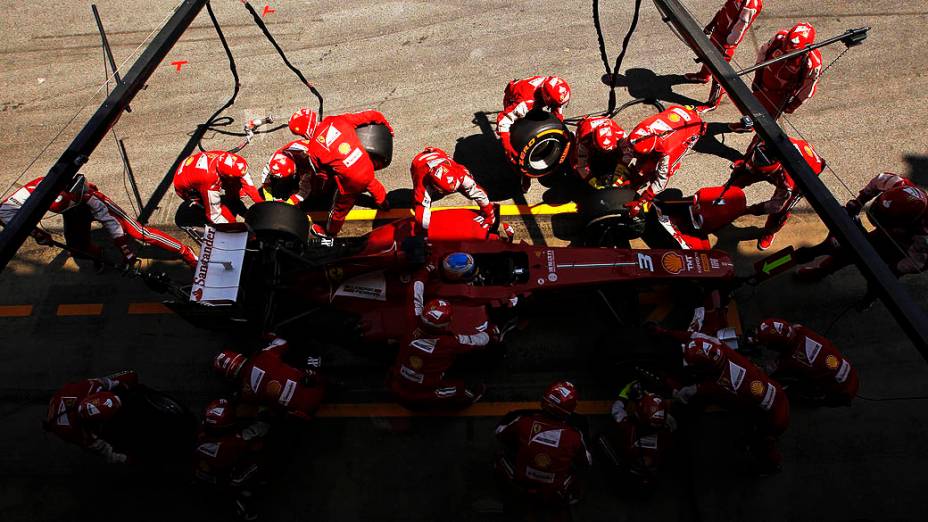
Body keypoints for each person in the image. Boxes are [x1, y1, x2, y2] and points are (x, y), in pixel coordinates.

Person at [1, 175, 197, 268]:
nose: (83, 192)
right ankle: (100, 258)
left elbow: (111, 223)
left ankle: (184, 251)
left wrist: (126, 252)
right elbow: (4, 212)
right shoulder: (30, 194)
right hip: (73, 213)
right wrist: (36, 233)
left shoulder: (87, 195)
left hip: (90, 207)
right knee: (78, 246)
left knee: (138, 232)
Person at [668, 331, 790, 474]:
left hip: (774, 419)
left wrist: (673, 387)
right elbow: (696, 336)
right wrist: (665, 333)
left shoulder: (717, 387)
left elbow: (688, 392)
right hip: (777, 393)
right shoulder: (722, 349)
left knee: (762, 444)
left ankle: (773, 466)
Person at [796, 172, 928, 280]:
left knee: (880, 279)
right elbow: (878, 180)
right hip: (892, 232)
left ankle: (870, 298)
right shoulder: (897, 185)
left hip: (905, 247)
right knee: (847, 253)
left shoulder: (923, 237)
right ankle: (822, 271)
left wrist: (894, 269)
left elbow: (917, 263)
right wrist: (859, 202)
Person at [288, 107, 394, 237]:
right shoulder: (336, 120)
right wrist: (388, 127)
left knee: (338, 212)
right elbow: (372, 115)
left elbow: (323, 176)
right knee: (371, 183)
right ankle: (384, 204)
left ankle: (330, 232)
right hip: (366, 165)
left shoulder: (313, 151)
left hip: (351, 183)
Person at [495, 381, 592, 506]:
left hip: (520, 481)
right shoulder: (575, 436)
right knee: (578, 472)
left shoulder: (523, 422)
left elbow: (499, 433)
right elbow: (586, 462)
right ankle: (571, 496)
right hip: (553, 491)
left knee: (499, 456)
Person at [388, 298, 491, 407]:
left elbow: (414, 293)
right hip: (421, 394)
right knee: (458, 389)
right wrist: (491, 332)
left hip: (397, 384)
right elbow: (480, 340)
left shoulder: (411, 323)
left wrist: (421, 279)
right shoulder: (449, 344)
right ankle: (470, 397)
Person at [729, 137, 826, 250]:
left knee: (781, 213)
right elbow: (755, 146)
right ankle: (719, 199)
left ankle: (770, 232)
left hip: (807, 174)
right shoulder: (767, 142)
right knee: (741, 176)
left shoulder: (789, 183)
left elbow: (776, 206)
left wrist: (748, 210)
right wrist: (744, 163)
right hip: (798, 151)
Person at [730, 22, 822, 132]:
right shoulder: (780, 38)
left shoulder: (812, 62)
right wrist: (758, 75)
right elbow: (763, 52)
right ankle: (747, 125)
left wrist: (794, 104)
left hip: (779, 96)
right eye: (785, 45)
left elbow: (809, 87)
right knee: (752, 106)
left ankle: (759, 143)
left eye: (790, 50)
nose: (785, 50)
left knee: (767, 123)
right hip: (763, 83)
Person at [213, 334, 326, 420]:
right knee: (306, 346)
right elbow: (283, 343)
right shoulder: (264, 355)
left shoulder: (246, 395)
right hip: (317, 387)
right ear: (240, 356)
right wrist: (270, 336)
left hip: (304, 412)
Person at [749, 318, 859, 406]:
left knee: (791, 391)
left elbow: (763, 372)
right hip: (848, 370)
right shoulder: (799, 329)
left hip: (840, 390)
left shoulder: (789, 360)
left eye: (767, 344)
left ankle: (813, 399)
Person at [193, 398, 269, 521]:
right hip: (226, 478)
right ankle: (242, 504)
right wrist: (263, 413)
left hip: (202, 471)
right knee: (259, 462)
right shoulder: (231, 443)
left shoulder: (204, 429)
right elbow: (259, 431)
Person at [622, 105, 707, 214]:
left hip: (692, 129)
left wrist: (643, 200)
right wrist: (619, 171)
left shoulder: (667, 152)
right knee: (643, 164)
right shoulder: (639, 131)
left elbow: (661, 180)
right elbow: (627, 150)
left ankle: (647, 191)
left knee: (657, 170)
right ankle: (639, 176)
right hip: (677, 111)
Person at [44, 370, 139, 464]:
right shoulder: (79, 434)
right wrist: (124, 459)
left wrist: (122, 381)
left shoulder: (91, 386)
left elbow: (108, 381)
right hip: (55, 420)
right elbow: (104, 450)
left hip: (60, 396)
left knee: (130, 375)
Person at [496, 75, 571, 191]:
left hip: (531, 98)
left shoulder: (552, 84)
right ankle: (525, 176)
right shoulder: (525, 104)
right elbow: (503, 119)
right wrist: (507, 145)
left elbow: (556, 103)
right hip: (514, 101)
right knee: (516, 152)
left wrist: (558, 118)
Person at [684, 0, 764, 108]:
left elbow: (740, 27)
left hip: (726, 41)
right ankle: (703, 75)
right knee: (708, 55)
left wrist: (727, 45)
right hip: (718, 31)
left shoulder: (750, 5)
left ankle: (713, 103)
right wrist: (712, 24)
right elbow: (724, 9)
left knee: (719, 73)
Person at [599, 380, 676, 487]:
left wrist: (624, 395)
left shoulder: (629, 428)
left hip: (631, 471)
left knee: (600, 438)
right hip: (652, 473)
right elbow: (667, 419)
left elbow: (616, 410)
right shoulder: (667, 431)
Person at [410, 146, 495, 234]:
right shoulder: (423, 180)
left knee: (470, 189)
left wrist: (489, 213)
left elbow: (478, 192)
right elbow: (422, 208)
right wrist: (423, 234)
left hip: (439, 154)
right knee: (419, 200)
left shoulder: (461, 172)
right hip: (419, 163)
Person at [173, 150, 263, 225]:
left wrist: (263, 205)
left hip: (192, 167)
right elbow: (214, 215)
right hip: (184, 186)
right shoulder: (209, 182)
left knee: (235, 185)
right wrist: (235, 229)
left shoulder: (227, 158)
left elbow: (249, 185)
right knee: (217, 211)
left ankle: (233, 201)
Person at [570, 116, 627, 188]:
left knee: (619, 155)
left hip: (606, 136)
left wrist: (620, 169)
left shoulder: (621, 135)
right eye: (603, 151)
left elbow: (628, 153)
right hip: (586, 134)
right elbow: (581, 165)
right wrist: (591, 180)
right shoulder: (584, 141)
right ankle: (572, 137)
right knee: (574, 167)